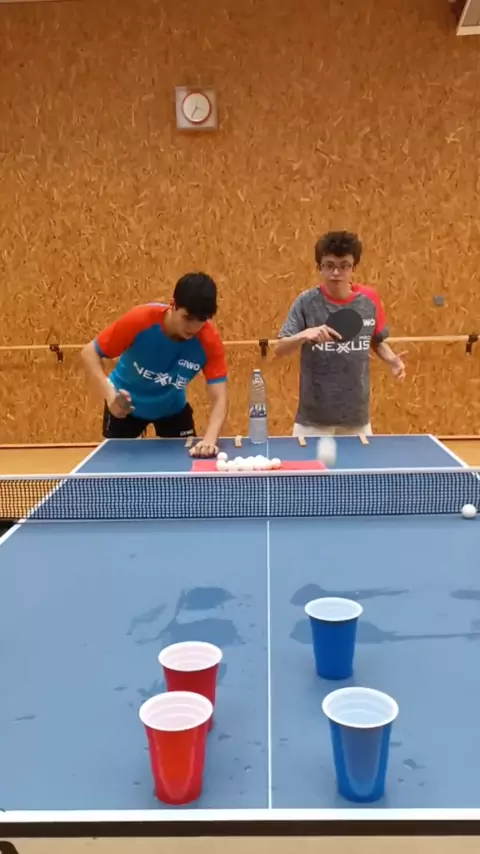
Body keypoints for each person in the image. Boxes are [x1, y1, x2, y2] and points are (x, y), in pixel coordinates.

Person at [81, 272, 228, 457]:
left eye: (202, 320)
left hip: (172, 408)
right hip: (124, 406)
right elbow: (89, 352)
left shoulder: (209, 341)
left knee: (185, 468)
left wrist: (209, 440)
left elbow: (220, 397)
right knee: (116, 470)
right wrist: (110, 395)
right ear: (172, 304)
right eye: (187, 318)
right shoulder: (140, 320)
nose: (193, 327)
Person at [275, 231, 406, 437]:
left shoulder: (368, 302)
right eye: (329, 265)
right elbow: (279, 348)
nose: (336, 272)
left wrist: (393, 360)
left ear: (354, 267)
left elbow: (376, 340)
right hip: (313, 422)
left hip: (356, 420)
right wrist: (305, 334)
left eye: (344, 265)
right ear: (320, 267)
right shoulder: (306, 302)